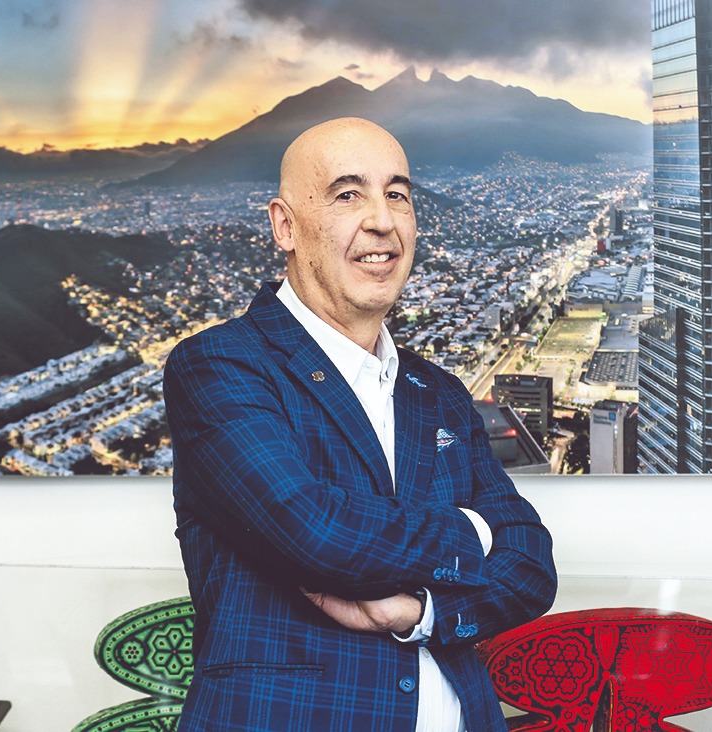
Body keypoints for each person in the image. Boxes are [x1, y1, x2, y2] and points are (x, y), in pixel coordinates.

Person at [163, 117, 557, 731]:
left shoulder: (439, 392)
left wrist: (417, 613)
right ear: (285, 226)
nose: (382, 220)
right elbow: (313, 530)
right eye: (348, 194)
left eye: (397, 194)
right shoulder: (220, 365)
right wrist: (477, 531)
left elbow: (532, 567)